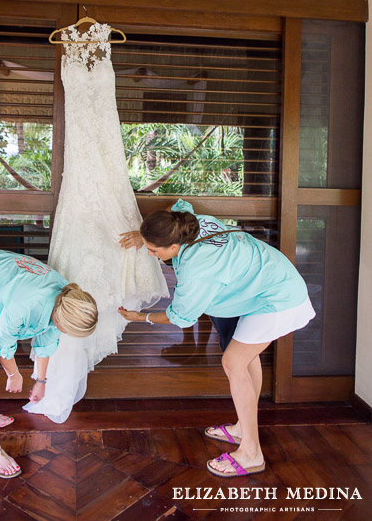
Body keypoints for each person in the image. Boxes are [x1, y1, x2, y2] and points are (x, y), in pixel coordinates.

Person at [119, 199, 315, 479]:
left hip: (278, 298)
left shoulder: (196, 269)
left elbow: (180, 316)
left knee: (234, 363)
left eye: (153, 250)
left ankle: (251, 454)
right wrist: (146, 235)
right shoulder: (191, 223)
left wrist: (141, 318)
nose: (150, 254)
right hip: (268, 283)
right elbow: (181, 205)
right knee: (244, 361)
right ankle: (241, 429)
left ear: (173, 247)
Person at [0, 247, 98, 479]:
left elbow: (47, 339)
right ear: (60, 318)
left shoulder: (66, 298)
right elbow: (2, 342)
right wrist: (14, 375)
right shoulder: (23, 307)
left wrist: (41, 381)